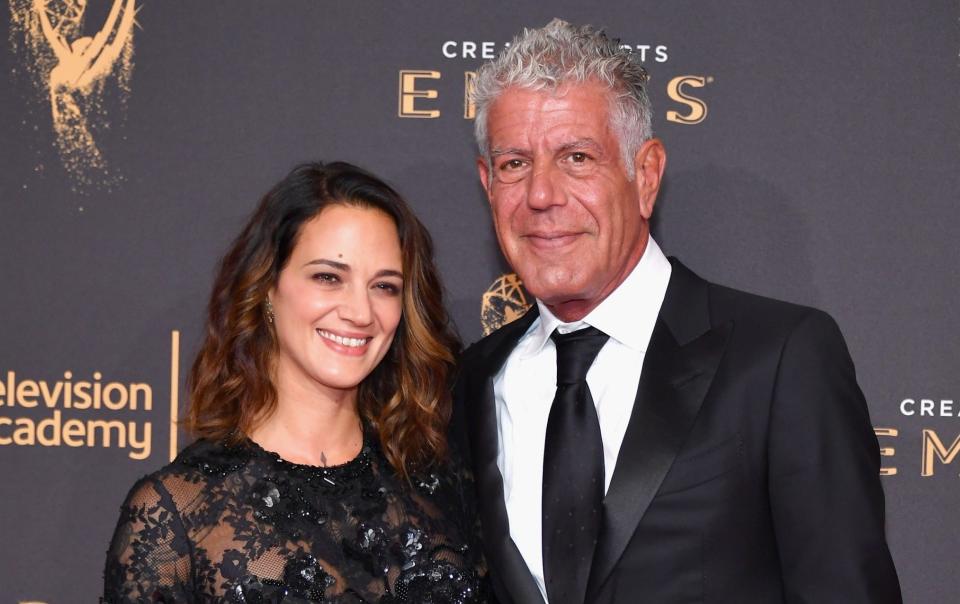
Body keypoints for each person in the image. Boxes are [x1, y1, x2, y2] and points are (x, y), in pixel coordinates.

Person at [452, 19, 902, 604]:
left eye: (577, 157)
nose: (541, 195)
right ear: (488, 183)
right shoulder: (472, 379)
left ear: (646, 175)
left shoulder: (780, 358)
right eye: (514, 164)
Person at [103, 162, 490, 602]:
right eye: (328, 278)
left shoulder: (442, 480)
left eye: (384, 286)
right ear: (268, 287)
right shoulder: (176, 515)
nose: (361, 313)